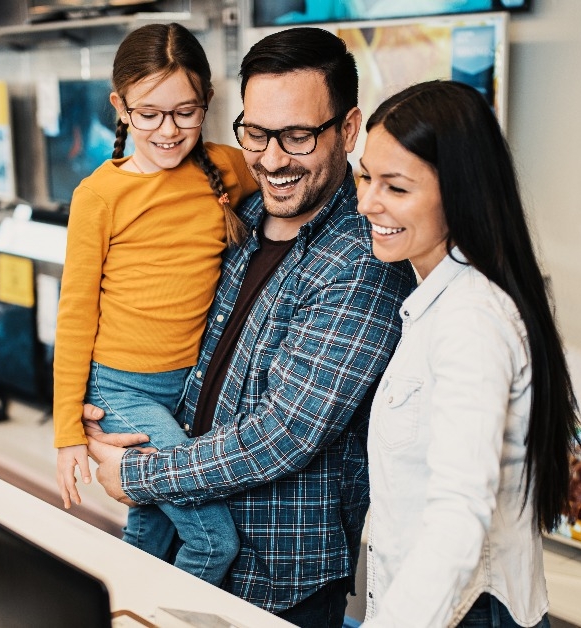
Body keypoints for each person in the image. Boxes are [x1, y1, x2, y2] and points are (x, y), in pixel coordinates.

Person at [84, 27, 416, 627]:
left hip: (278, 576)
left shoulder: (363, 260)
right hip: (188, 525)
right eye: (257, 133)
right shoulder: (241, 210)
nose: (271, 158)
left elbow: (283, 434)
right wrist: (112, 403)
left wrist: (137, 472)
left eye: (297, 136)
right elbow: (156, 318)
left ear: (347, 129)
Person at [354, 80, 581, 627]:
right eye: (365, 176)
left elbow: (459, 515)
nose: (367, 203)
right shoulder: (436, 300)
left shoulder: (470, 320)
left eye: (396, 187)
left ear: (458, 194)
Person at [51, 22, 258, 586]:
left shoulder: (228, 169)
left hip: (189, 389)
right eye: (149, 113)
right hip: (121, 389)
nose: (168, 130)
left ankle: (127, 606)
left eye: (185, 112)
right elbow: (74, 314)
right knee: (215, 540)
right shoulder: (99, 195)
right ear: (120, 106)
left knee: (151, 534)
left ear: (207, 104)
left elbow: (292, 177)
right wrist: (68, 430)